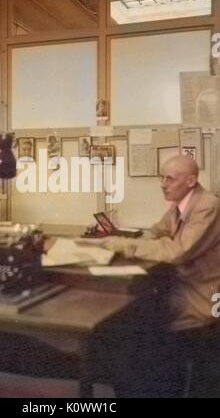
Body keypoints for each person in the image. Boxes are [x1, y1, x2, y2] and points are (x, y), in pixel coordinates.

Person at [78, 155, 220, 396]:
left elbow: (178, 251)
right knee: (130, 327)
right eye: (162, 177)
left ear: (191, 181)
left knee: (131, 331)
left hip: (201, 297)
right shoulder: (181, 204)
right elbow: (156, 232)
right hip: (184, 288)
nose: (163, 184)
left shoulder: (207, 205)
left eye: (170, 179)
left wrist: (126, 245)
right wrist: (134, 243)